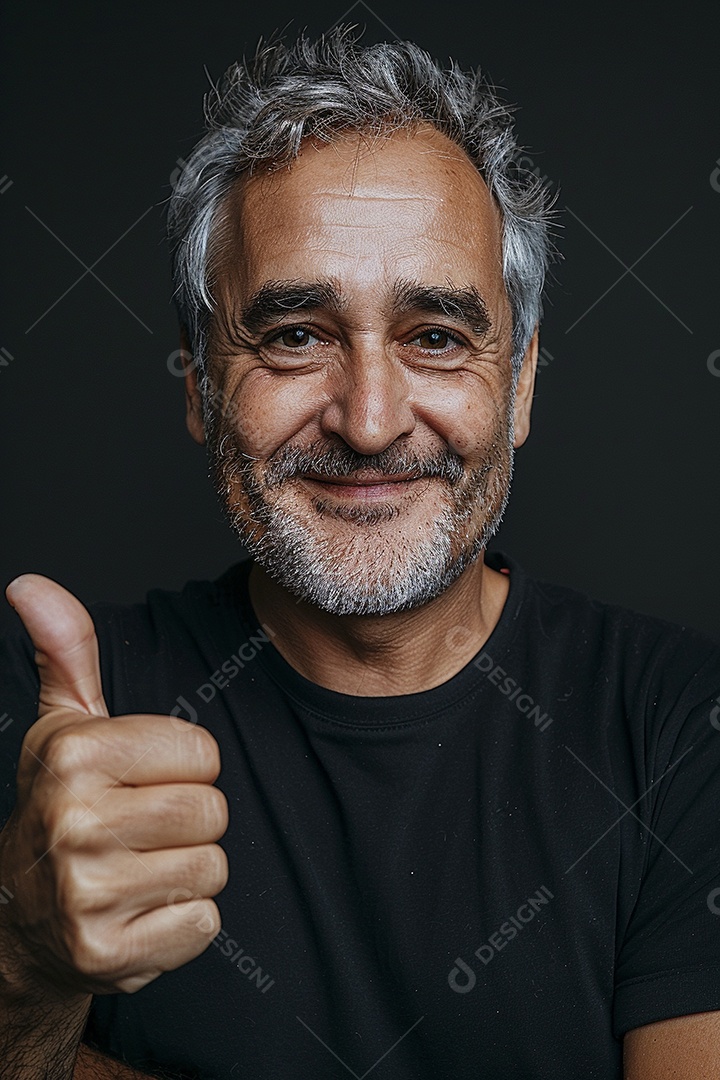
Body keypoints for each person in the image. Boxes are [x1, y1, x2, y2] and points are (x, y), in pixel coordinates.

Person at [1, 25, 719, 1080]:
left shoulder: (686, 728)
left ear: (520, 384)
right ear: (201, 385)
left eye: (436, 336)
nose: (371, 422)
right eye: (295, 335)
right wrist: (25, 964)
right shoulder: (46, 725)